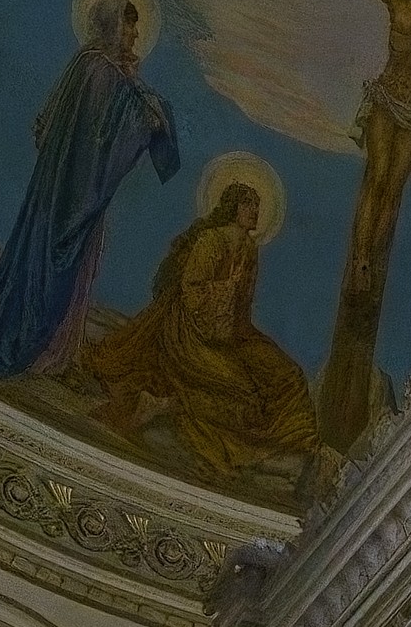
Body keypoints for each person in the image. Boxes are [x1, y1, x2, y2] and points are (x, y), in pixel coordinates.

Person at [0, 0, 177, 382]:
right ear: (115, 25)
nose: (134, 35)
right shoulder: (99, 70)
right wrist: (150, 116)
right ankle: (30, 344)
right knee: (51, 271)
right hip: (71, 201)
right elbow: (102, 140)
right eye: (131, 26)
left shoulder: (91, 66)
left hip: (61, 193)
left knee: (42, 266)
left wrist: (134, 90)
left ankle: (55, 350)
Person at [84, 171, 317, 482]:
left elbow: (242, 309)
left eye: (258, 207)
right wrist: (224, 293)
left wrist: (242, 333)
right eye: (250, 206)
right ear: (234, 208)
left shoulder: (249, 250)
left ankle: (293, 449)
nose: (255, 213)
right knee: (238, 389)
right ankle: (172, 413)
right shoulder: (211, 240)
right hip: (188, 331)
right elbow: (191, 290)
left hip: (232, 332)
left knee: (287, 374)